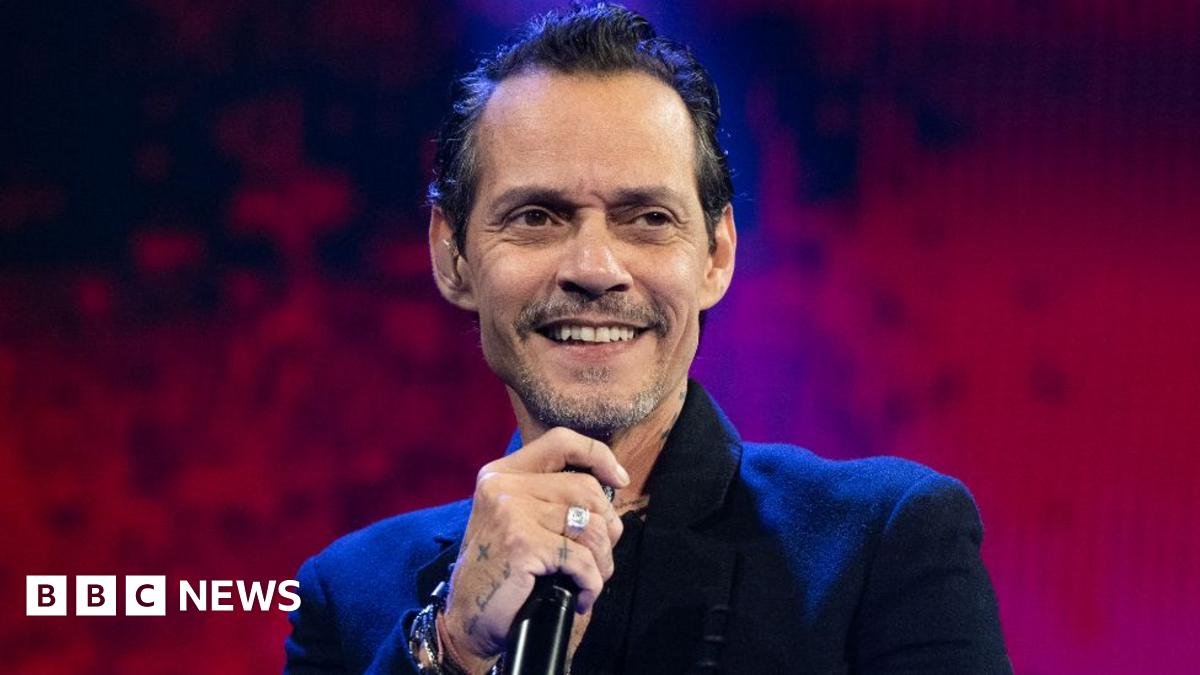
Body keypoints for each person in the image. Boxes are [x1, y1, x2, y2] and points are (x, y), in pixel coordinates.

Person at [284, 4, 1011, 673]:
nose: (594, 269)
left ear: (717, 255)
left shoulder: (883, 542)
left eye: (647, 218)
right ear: (452, 256)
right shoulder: (349, 596)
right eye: (537, 216)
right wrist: (453, 651)